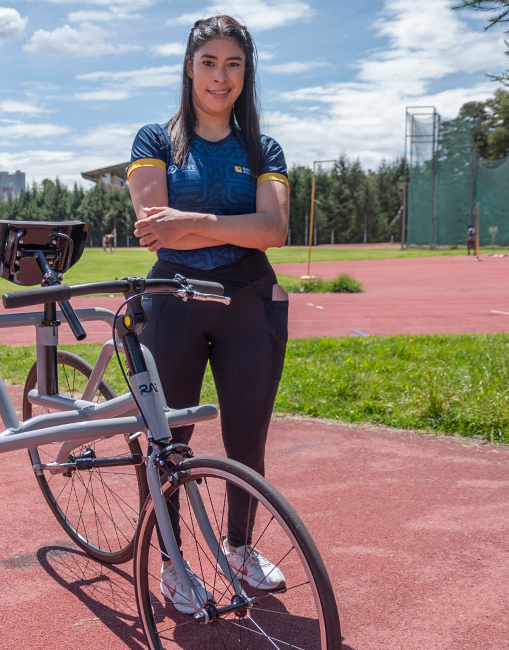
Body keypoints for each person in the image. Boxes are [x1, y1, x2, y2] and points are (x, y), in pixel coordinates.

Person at [126, 14, 291, 613]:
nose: (221, 76)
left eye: (233, 64)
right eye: (209, 62)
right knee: (168, 439)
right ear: (189, 67)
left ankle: (239, 547)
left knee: (248, 436)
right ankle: (171, 560)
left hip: (249, 301)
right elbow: (154, 230)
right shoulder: (155, 141)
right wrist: (237, 226)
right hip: (174, 299)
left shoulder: (263, 149)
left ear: (247, 73)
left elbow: (274, 231)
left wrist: (191, 222)